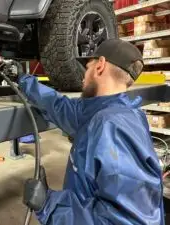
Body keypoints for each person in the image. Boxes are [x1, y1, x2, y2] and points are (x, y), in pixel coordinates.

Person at [8, 39, 164, 225]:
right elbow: (57, 105)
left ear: (100, 66)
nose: (83, 76)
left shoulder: (114, 128)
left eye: (87, 67)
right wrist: (22, 78)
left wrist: (49, 205)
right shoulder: (100, 112)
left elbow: (129, 221)